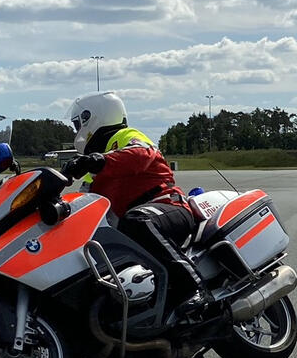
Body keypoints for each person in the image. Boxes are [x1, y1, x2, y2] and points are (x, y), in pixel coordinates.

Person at [64, 91, 211, 318]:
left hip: (167, 206)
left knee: (136, 221)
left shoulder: (124, 137)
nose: (77, 130)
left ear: (93, 118)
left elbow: (142, 154)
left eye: (78, 124)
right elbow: (83, 201)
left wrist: (99, 160)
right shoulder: (95, 165)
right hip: (136, 227)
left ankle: (193, 287)